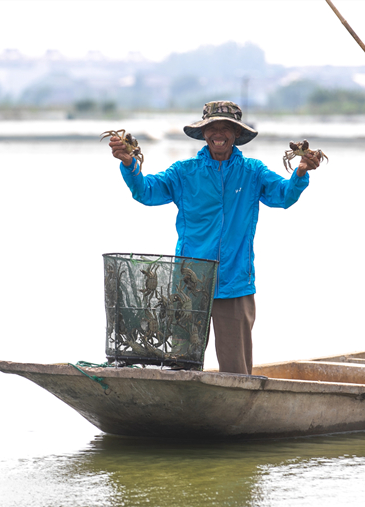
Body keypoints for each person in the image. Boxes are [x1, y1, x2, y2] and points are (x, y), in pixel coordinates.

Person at [107, 101, 320, 374]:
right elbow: (146, 191)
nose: (218, 133)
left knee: (236, 370)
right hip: (188, 284)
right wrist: (129, 164)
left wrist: (300, 173)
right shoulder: (184, 172)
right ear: (204, 133)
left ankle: (236, 412)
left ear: (236, 134)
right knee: (182, 365)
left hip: (235, 282)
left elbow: (284, 195)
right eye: (212, 128)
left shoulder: (253, 172)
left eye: (226, 128)